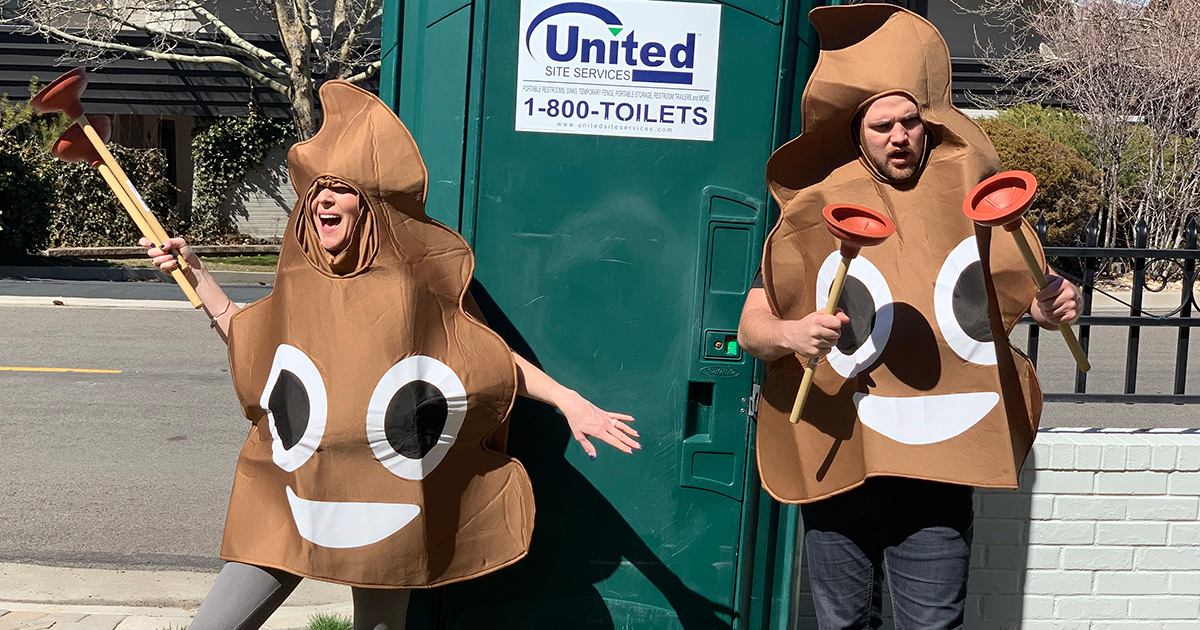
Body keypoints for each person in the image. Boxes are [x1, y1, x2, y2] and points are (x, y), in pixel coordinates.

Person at [144, 81, 638, 630]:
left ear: (369, 205)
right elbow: (257, 342)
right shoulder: (303, 282)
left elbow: (479, 361)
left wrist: (569, 401)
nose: (323, 200)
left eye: (341, 189)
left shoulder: (415, 283)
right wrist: (197, 274)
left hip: (386, 499)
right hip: (295, 490)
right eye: (317, 191)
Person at [737, 5, 1081, 629]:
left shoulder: (973, 200)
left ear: (927, 124)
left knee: (932, 625)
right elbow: (752, 328)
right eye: (881, 126)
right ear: (855, 132)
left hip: (936, 471)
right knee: (844, 625)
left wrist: (1051, 304)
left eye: (909, 122)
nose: (899, 136)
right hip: (837, 455)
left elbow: (1024, 292)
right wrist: (793, 333)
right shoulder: (816, 209)